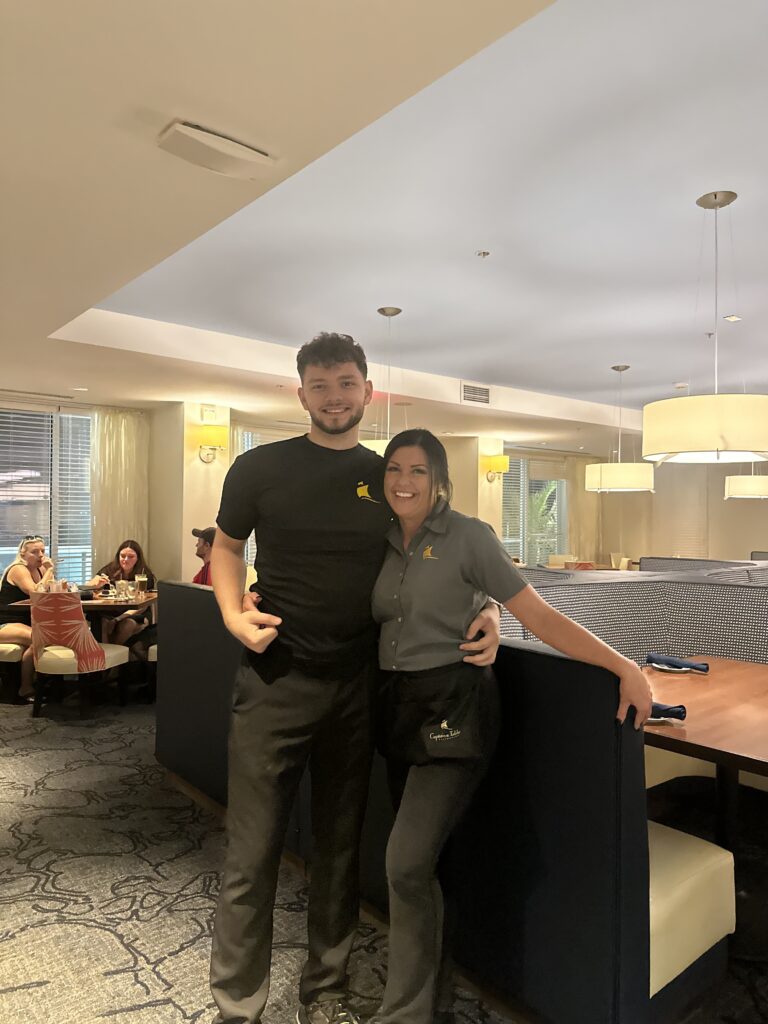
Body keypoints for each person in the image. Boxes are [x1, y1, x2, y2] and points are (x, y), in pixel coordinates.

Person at [208, 333, 500, 1024]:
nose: (334, 397)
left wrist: (488, 607)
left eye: (346, 383)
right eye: (320, 385)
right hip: (274, 681)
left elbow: (446, 553)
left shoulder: (390, 478)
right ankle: (237, 1005)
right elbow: (226, 546)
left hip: (359, 688)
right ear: (300, 393)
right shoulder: (258, 467)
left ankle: (327, 992)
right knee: (252, 849)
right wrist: (231, 613)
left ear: (369, 391)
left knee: (339, 850)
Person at [369, 429, 654, 1024]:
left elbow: (541, 615)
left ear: (440, 480)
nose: (404, 481)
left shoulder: (470, 536)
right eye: (395, 468)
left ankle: (404, 1014)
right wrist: (484, 607)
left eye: (418, 470)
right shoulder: (384, 538)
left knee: (404, 862)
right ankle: (429, 995)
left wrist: (623, 666)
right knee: (422, 866)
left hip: (456, 708)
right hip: (398, 708)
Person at [0, 535, 56, 700]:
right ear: (22, 554)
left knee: (53, 636)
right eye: (35, 552)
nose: (41, 555)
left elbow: (52, 592)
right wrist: (50, 571)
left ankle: (42, 683)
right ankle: (25, 688)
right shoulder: (18, 569)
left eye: (43, 551)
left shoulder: (40, 570)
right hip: (5, 623)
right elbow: (35, 593)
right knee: (41, 638)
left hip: (27, 622)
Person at [92, 540, 156, 644]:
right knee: (102, 620)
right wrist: (97, 584)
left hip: (135, 612)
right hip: (113, 610)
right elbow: (91, 583)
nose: (125, 560)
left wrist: (117, 619)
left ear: (138, 558)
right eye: (122, 556)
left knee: (127, 624)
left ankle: (116, 651)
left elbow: (142, 606)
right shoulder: (111, 569)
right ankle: (106, 651)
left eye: (131, 557)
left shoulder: (144, 575)